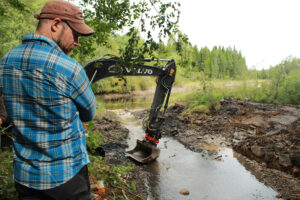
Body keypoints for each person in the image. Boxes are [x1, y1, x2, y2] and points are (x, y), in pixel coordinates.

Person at [0, 1, 97, 199]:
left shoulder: (5, 62)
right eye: (75, 34)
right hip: (67, 177)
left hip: (25, 178)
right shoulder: (70, 68)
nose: (77, 42)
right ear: (55, 24)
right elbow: (89, 113)